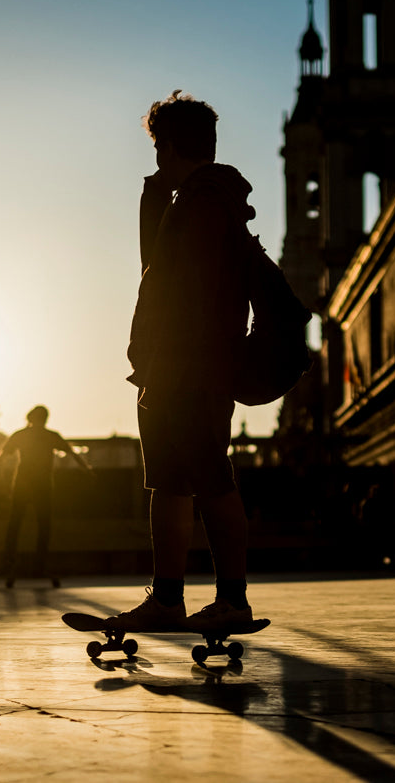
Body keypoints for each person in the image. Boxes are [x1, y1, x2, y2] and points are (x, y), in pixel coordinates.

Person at [109, 91, 258, 635]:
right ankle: (168, 599)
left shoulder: (207, 204)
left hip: (190, 368)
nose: (154, 161)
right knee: (170, 482)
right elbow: (159, 275)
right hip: (170, 367)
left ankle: (232, 600)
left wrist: (175, 358)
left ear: (169, 147)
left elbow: (181, 292)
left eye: (157, 149)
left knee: (211, 479)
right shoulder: (194, 200)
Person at [0, 405, 89, 588]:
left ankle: (10, 562)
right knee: (43, 525)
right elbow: (72, 453)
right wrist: (87, 470)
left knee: (15, 524)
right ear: (45, 419)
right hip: (42, 486)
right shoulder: (50, 435)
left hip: (22, 485)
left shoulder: (21, 434)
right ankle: (39, 564)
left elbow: (1, 457)